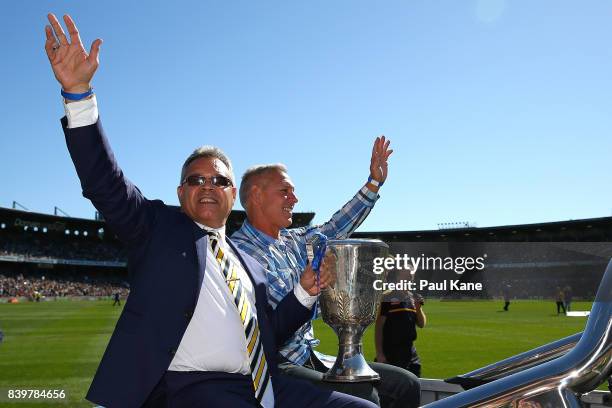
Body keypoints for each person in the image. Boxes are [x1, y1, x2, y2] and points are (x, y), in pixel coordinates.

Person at [44, 13, 375, 408]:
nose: (207, 186)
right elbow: (105, 182)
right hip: (193, 390)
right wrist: (79, 95)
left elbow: (268, 332)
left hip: (263, 386)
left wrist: (304, 291)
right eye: (196, 180)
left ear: (233, 194)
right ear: (181, 192)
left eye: (218, 180)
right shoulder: (157, 229)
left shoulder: (246, 264)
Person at [232, 141, 421, 408]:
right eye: (285, 191)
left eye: (293, 193)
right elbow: (276, 320)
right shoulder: (238, 253)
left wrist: (373, 184)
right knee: (364, 396)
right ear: (256, 195)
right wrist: (336, 302)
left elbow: (336, 227)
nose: (294, 200)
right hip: (277, 365)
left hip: (310, 356)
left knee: (406, 384)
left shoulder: (294, 240)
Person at [374, 267, 426, 378]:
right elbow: (379, 327)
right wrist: (380, 353)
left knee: (415, 386)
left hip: (411, 355)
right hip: (392, 353)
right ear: (397, 277)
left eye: (411, 275)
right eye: (406, 275)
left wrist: (418, 308)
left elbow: (421, 324)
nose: (409, 277)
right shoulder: (387, 297)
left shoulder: (413, 297)